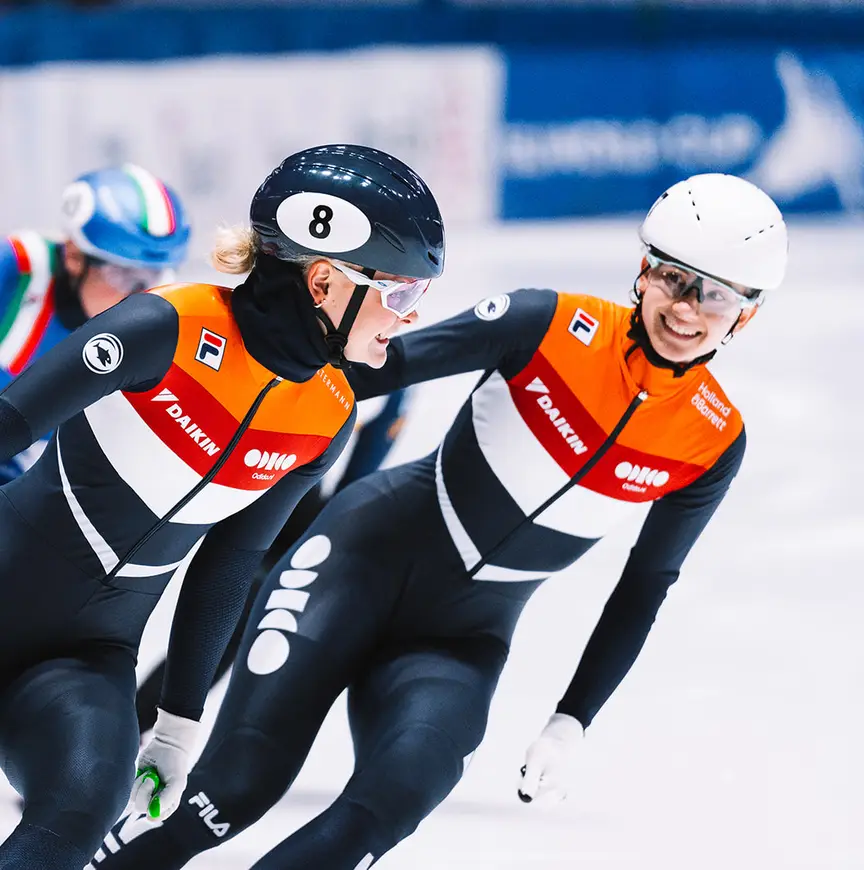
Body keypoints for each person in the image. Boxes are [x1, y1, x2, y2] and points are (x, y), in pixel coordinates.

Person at [88, 173, 787, 870]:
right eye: (673, 278)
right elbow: (366, 366)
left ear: (746, 314)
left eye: (716, 295)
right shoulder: (545, 323)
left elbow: (644, 587)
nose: (686, 308)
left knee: (392, 802)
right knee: (229, 792)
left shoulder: (712, 441)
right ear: (643, 271)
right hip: (357, 562)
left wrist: (571, 719)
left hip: (460, 641)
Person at [0, 143, 444, 870]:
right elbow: (7, 425)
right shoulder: (165, 326)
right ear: (324, 281)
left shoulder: (328, 414)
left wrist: (177, 727)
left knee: (83, 804)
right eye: (400, 293)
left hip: (85, 661)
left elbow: (232, 563)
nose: (413, 314)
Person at [133, 387, 411, 736]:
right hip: (285, 471)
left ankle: (142, 720)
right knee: (227, 619)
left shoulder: (390, 384)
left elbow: (373, 448)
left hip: (304, 483)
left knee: (233, 626)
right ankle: (140, 719)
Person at [0, 164, 190, 483]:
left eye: (154, 275)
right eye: (123, 274)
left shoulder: (162, 320)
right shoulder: (17, 268)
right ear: (74, 256)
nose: (140, 292)